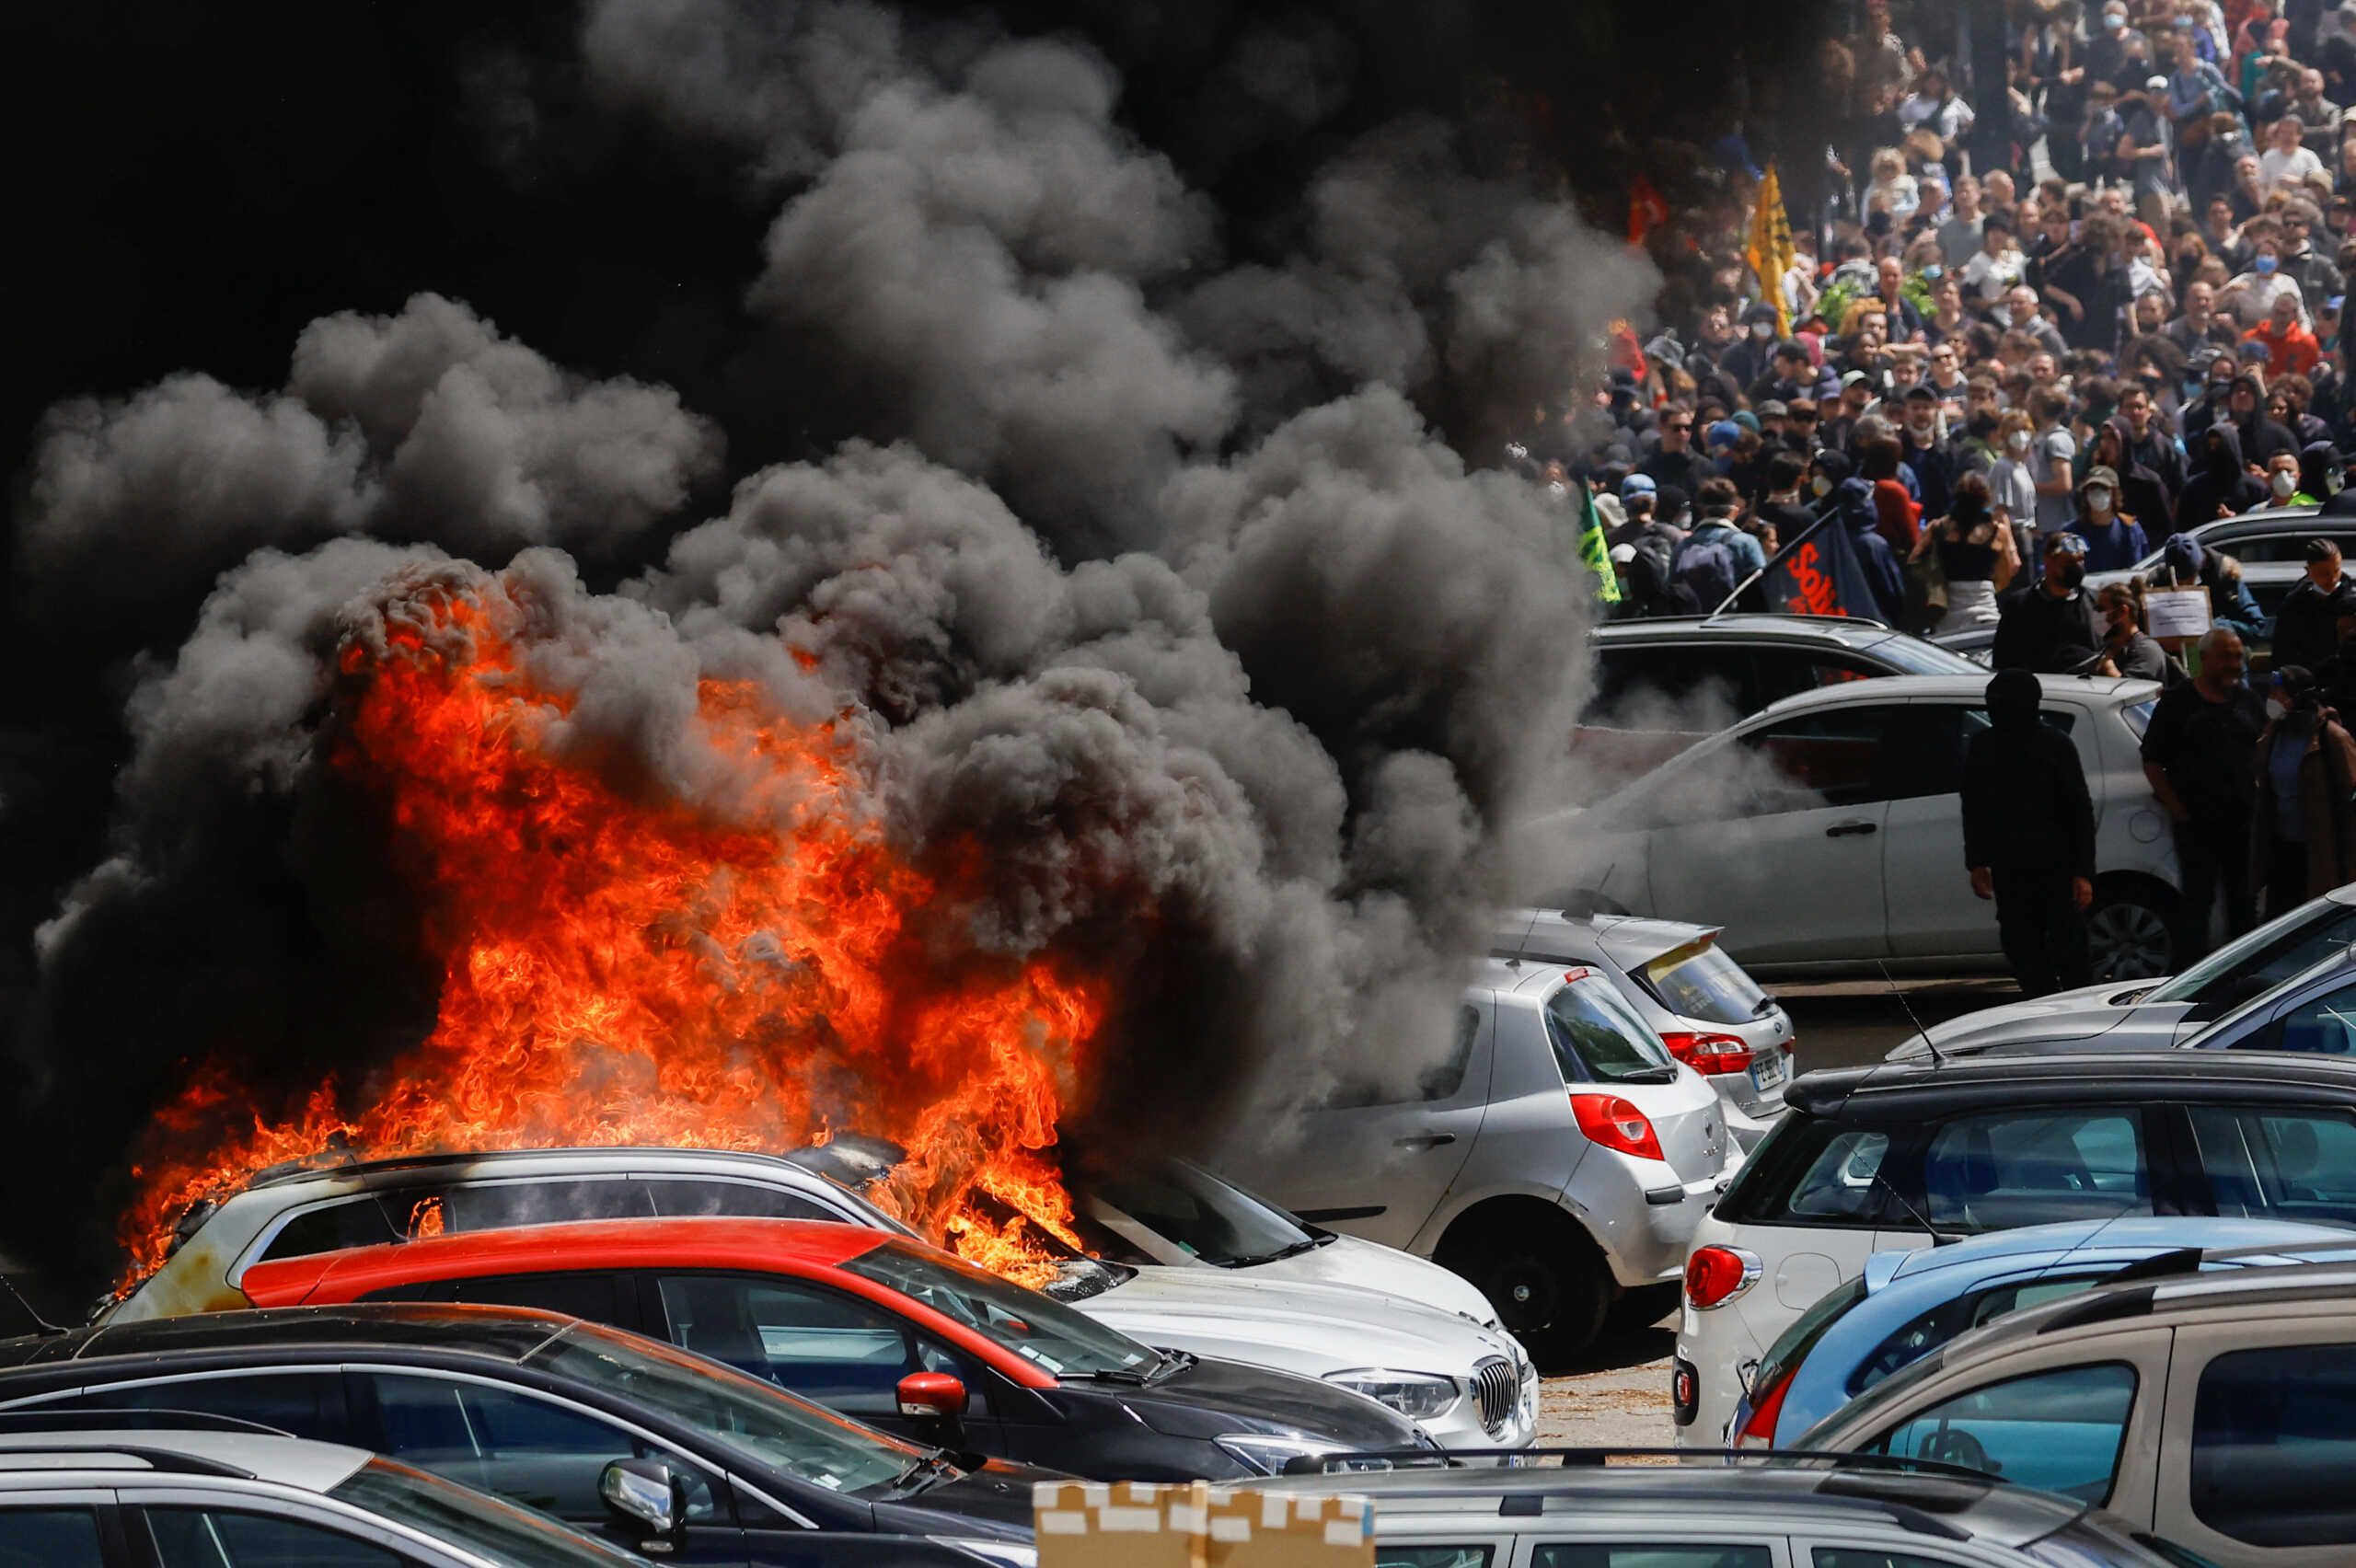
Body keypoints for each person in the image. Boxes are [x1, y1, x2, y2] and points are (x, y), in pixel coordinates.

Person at [1963, 667, 2097, 998]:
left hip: (2055, 867)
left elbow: (2079, 810)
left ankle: (2076, 1009)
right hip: (2013, 869)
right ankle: (2042, 1003)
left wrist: (2082, 873)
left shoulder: (2054, 746)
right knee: (2024, 949)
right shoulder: (1985, 747)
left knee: (2068, 949)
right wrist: (1977, 863)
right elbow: (1974, 806)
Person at [2142, 626, 2268, 960]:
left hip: (2242, 822)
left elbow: (2260, 749)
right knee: (2197, 904)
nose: (2233, 663)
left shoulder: (2248, 700)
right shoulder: (2178, 703)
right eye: (2226, 657)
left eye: (2238, 657)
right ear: (2205, 658)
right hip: (2197, 825)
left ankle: (2246, 977)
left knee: (2245, 904)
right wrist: (2178, 809)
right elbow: (2153, 762)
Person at [2248, 663, 2356, 917]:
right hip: (2282, 851)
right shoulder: (2275, 734)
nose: (2271, 701)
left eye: (2278, 695)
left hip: (2321, 852)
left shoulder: (2332, 738)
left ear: (2297, 698)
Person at [1914, 471, 2020, 636]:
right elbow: (2005, 577)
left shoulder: (1937, 528)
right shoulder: (1997, 532)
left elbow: (1913, 561)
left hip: (1945, 611)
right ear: (1986, 499)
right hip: (1985, 611)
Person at [1993, 532, 2107, 673]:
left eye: (2080, 560)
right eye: (2070, 562)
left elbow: (2106, 651)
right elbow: (2003, 661)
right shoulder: (2020, 606)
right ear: (2049, 560)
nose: (2077, 567)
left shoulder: (2093, 601)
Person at [2270, 537, 2356, 674]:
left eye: (2336, 571)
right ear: (2308, 570)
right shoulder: (2294, 605)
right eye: (2324, 573)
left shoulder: (2351, 602)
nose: (2332, 579)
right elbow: (2282, 655)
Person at [2068, 465, 2151, 571]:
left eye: (2103, 488)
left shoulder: (2130, 529)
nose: (2097, 494)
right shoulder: (2071, 532)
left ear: (2115, 493)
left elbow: (2139, 570)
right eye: (2093, 488)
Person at [2096, 579, 2174, 681]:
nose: (2097, 615)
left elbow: (2131, 690)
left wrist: (2108, 667)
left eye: (2101, 609)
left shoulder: (2147, 649)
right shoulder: (2107, 646)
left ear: (2122, 611)